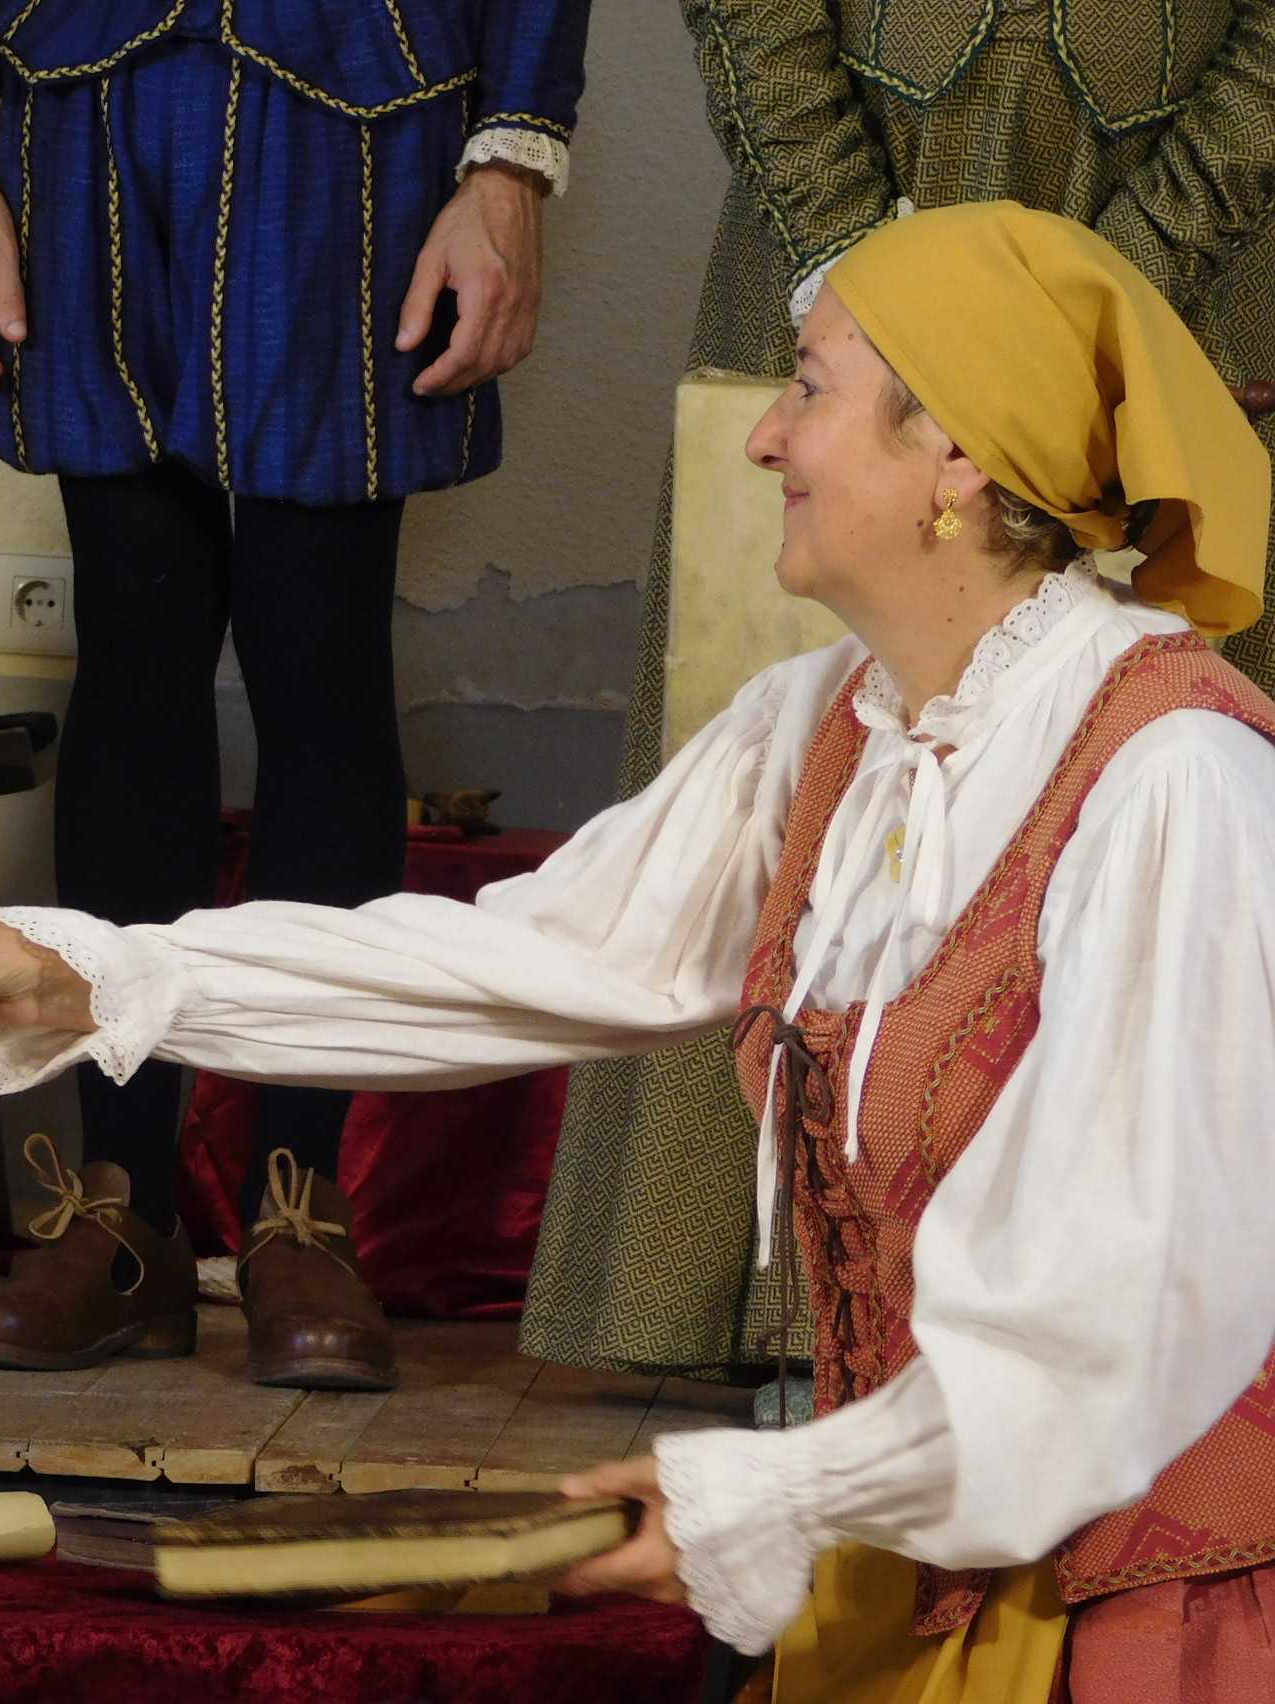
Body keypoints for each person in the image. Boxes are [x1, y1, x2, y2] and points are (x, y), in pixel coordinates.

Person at [0, 204, 1275, 1699]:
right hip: (912, 1565)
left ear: (953, 456)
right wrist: (77, 974)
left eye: (810, 388)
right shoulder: (834, 724)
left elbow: (1131, 1305)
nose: (766, 438)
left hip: (1154, 1606)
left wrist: (778, 1491)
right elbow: (529, 959)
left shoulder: (1175, 781)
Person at [533, 0, 1275, 1390]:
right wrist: (862, 271)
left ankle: (1079, 1339)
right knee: (804, 755)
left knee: (1145, 799)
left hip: (1193, 222)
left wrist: (1111, 296)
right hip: (851, 182)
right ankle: (768, 1313)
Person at [0, 0, 592, 1390]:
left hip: (362, 99)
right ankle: (123, 1218)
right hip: (80, 87)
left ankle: (297, 1210)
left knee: (319, 653)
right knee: (131, 643)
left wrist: (510, 162)